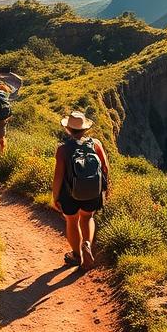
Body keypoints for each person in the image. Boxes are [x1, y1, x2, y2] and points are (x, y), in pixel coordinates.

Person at [52, 111, 109, 270]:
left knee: (72, 220)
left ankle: (77, 255)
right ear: (85, 129)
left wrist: (55, 197)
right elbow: (104, 168)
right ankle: (87, 245)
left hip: (69, 192)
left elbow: (58, 176)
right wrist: (105, 189)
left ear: (68, 129)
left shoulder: (62, 149)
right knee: (87, 218)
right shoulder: (95, 144)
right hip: (92, 191)